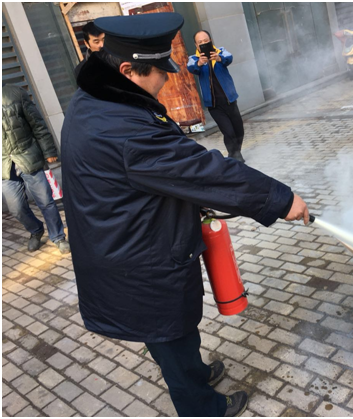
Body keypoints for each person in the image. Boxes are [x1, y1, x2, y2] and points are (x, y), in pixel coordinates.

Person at [61, 13, 309, 417]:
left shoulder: (97, 99)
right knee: (169, 337)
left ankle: (197, 372)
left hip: (130, 244)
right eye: (160, 72)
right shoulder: (122, 128)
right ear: (127, 71)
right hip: (138, 260)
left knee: (177, 332)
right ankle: (202, 408)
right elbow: (201, 171)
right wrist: (281, 199)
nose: (166, 79)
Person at [2, 84, 70, 254]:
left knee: (45, 201)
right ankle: (36, 230)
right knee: (16, 208)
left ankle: (58, 237)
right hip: (4, 165)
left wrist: (49, 151)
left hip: (27, 156)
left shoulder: (15, 93)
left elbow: (37, 124)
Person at [187, 30, 246, 163]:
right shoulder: (194, 59)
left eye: (206, 41)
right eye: (200, 42)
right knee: (229, 132)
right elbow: (191, 67)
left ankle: (234, 154)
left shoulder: (220, 51)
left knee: (239, 131)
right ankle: (236, 159)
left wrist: (219, 58)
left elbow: (229, 57)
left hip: (230, 100)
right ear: (196, 45)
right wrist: (200, 63)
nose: (203, 43)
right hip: (214, 105)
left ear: (210, 41)